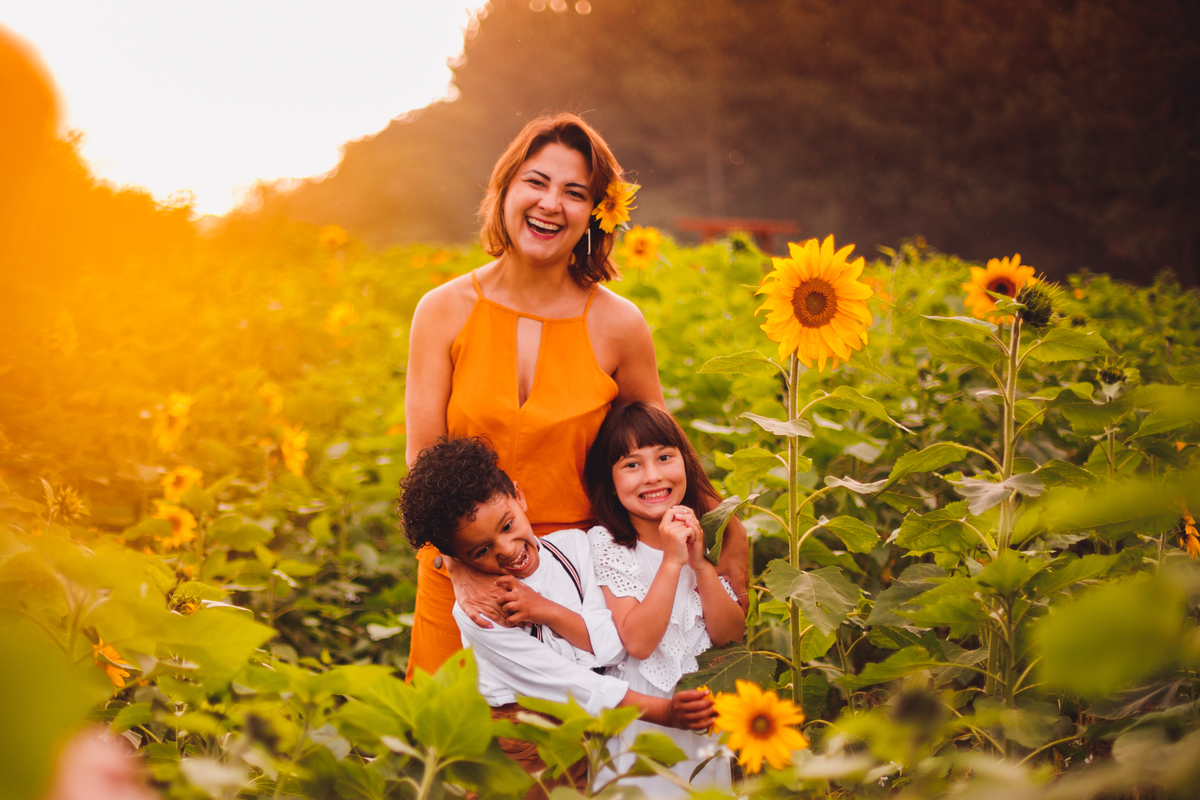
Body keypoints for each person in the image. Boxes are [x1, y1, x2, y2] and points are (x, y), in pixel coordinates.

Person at [403, 111, 749, 680]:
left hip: (578, 586)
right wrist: (455, 567)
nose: (549, 204)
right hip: (460, 572)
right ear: (506, 188)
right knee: (451, 749)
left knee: (560, 755)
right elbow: (422, 461)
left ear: (595, 214)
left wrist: (727, 526)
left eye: (574, 192)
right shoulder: (441, 311)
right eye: (536, 182)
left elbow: (663, 449)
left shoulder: (620, 324)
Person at [398, 436, 716, 798]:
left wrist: (545, 610)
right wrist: (664, 712)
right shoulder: (481, 611)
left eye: (507, 526)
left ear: (519, 497)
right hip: (525, 736)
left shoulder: (575, 549)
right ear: (457, 557)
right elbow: (564, 680)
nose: (507, 550)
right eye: (481, 550)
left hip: (590, 725)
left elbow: (612, 647)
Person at [583, 402, 747, 796]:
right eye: (632, 465)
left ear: (684, 464)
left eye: (664, 457)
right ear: (609, 481)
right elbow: (638, 643)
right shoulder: (608, 545)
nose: (653, 475)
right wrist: (672, 563)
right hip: (643, 718)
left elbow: (730, 634)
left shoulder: (704, 534)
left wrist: (701, 566)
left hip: (702, 712)